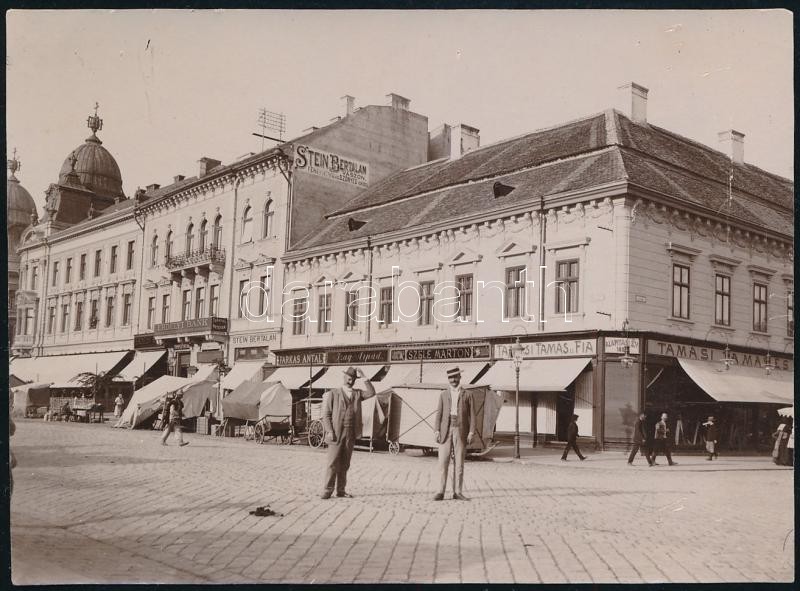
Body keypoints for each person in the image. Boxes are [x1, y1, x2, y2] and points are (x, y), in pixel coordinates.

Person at [320, 367, 376, 499]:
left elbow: (372, 393)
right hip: (336, 433)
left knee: (345, 463)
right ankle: (327, 490)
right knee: (332, 462)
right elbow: (326, 414)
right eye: (349, 378)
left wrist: (364, 377)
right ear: (344, 377)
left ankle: (341, 490)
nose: (351, 381)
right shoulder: (334, 393)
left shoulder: (357, 394)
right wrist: (329, 431)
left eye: (353, 379)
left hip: (350, 433)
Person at [433, 367, 476, 501]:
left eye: (455, 377)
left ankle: (457, 491)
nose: (453, 380)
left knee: (459, 462)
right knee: (443, 461)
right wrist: (437, 430)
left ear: (460, 377)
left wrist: (471, 432)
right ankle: (440, 491)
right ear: (448, 379)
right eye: (451, 378)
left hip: (461, 430)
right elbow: (439, 413)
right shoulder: (443, 395)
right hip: (445, 431)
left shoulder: (468, 394)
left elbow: (473, 415)